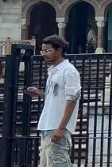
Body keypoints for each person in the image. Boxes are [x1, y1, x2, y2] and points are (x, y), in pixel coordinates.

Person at [26, 35, 82, 167]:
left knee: (58, 163)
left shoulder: (68, 71)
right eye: (42, 51)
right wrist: (41, 94)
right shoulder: (53, 71)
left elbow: (72, 100)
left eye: (48, 51)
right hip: (47, 124)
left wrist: (61, 128)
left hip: (57, 126)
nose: (44, 54)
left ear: (59, 50)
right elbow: (57, 97)